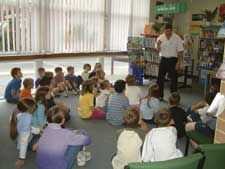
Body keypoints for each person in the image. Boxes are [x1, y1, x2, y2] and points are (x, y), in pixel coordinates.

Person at [156, 24, 184, 100]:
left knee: (174, 80)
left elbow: (180, 52)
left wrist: (178, 63)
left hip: (173, 60)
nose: (168, 32)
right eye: (166, 31)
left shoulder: (177, 38)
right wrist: (158, 45)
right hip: (163, 59)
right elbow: (158, 51)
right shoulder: (160, 37)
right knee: (160, 79)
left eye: (169, 31)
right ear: (164, 30)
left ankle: (174, 98)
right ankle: (160, 95)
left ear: (172, 30)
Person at [10, 98, 36, 169]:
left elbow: (29, 127)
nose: (34, 108)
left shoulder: (21, 114)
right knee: (40, 144)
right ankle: (22, 155)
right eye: (33, 107)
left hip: (22, 134)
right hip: (25, 138)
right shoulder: (28, 118)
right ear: (28, 109)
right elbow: (24, 142)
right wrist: (21, 159)